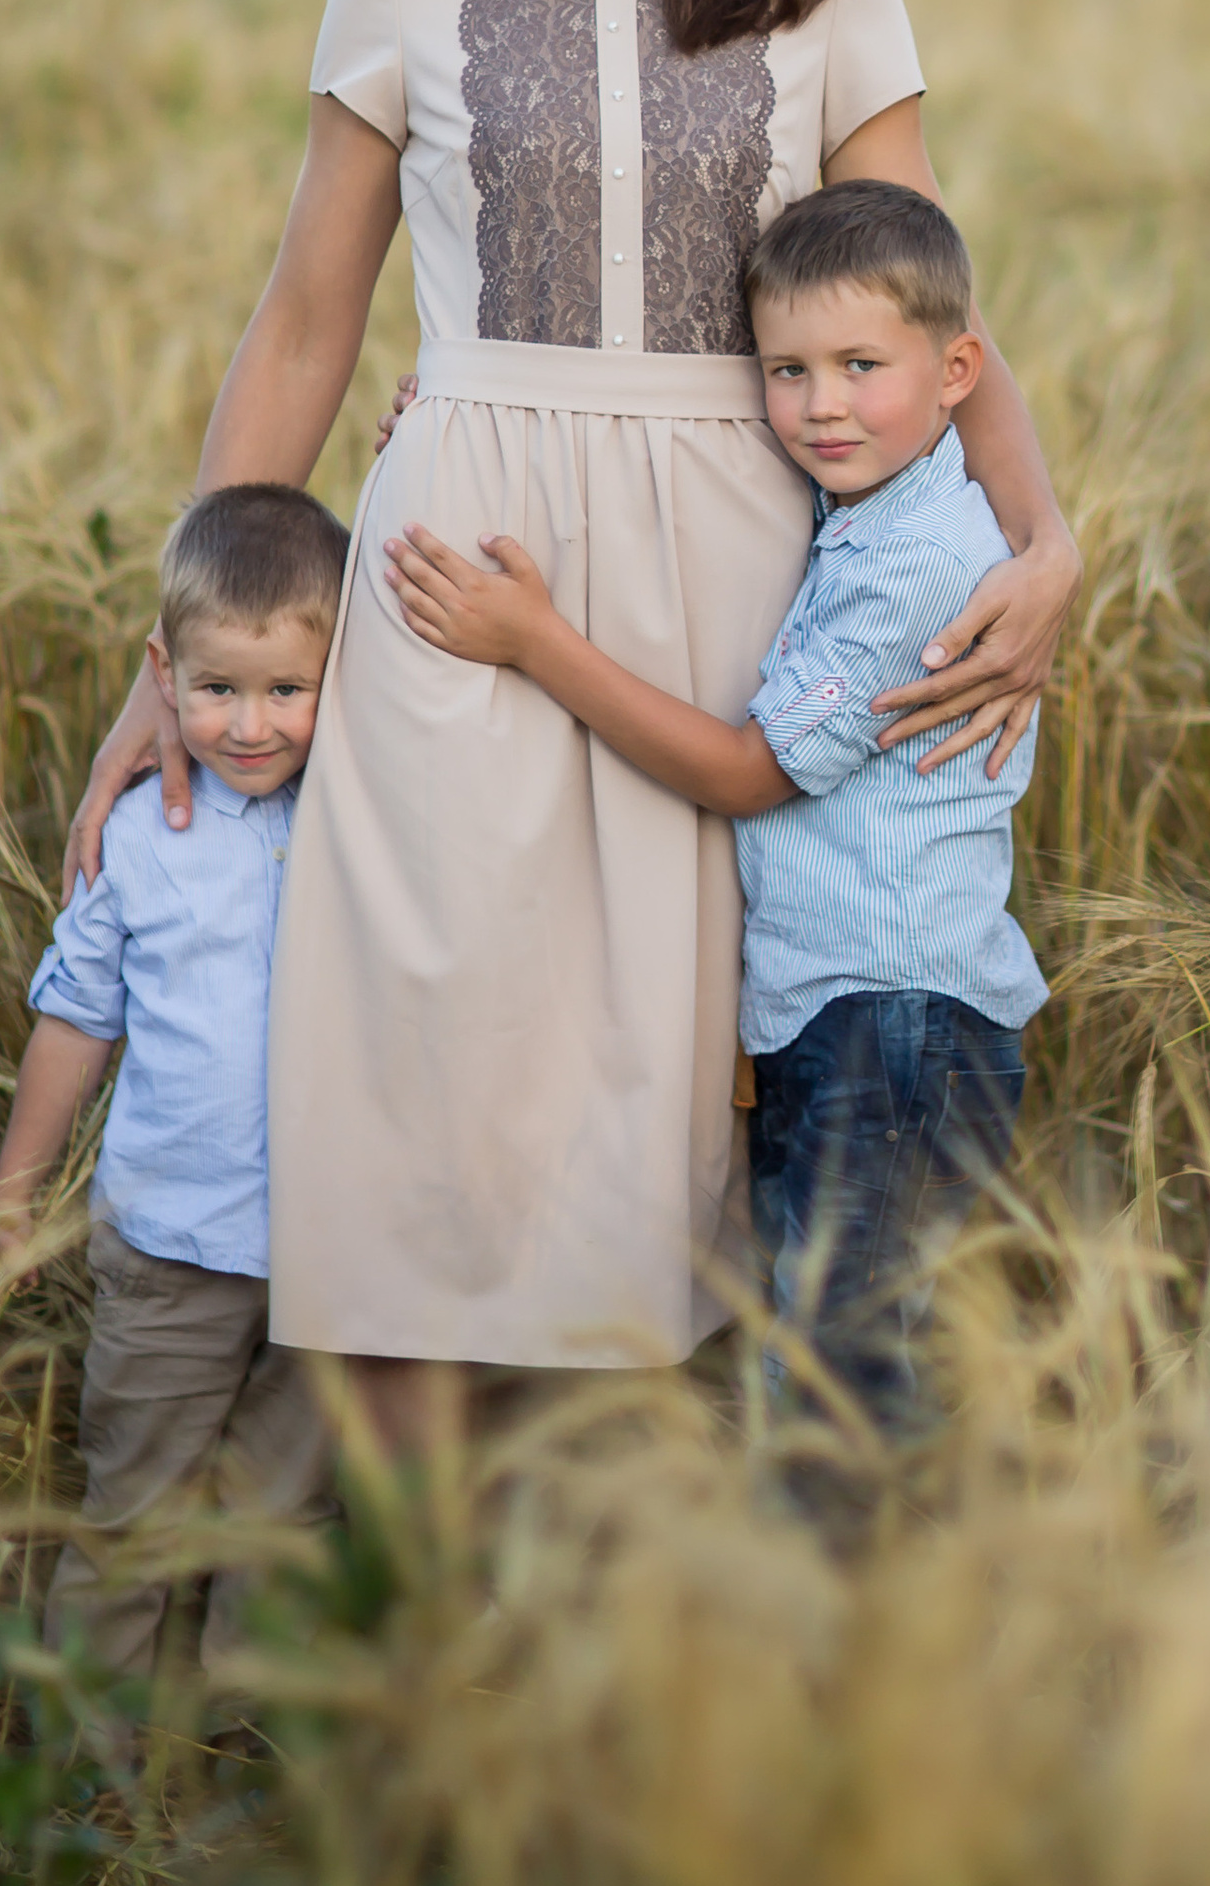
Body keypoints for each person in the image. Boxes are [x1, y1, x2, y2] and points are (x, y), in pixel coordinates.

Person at [61, 0, 1079, 1444]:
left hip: (738, 579)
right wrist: (159, 659)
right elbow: (301, 331)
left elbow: (941, 308)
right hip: (466, 564)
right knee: (436, 1059)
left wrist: (1051, 544)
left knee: (671, 1090)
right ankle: (414, 1609)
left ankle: (623, 1583)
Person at [392, 179, 1045, 1433]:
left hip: (894, 1021)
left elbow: (749, 771)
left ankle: (862, 1621)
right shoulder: (860, 500)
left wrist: (535, 641)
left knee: (837, 1386)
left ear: (959, 367)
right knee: (818, 1366)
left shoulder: (916, 566)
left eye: (862, 365)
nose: (821, 406)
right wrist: (449, 439)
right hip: (838, 1015)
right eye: (787, 370)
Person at [0, 484, 346, 1683]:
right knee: (136, 1518)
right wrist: (10, 1199)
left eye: (287, 690)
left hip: (330, 1261)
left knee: (281, 1528)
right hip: (172, 1254)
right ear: (162, 673)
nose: (249, 726)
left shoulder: (361, 826)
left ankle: (238, 1767)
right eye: (217, 690)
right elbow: (75, 1020)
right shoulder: (134, 838)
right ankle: (92, 1788)